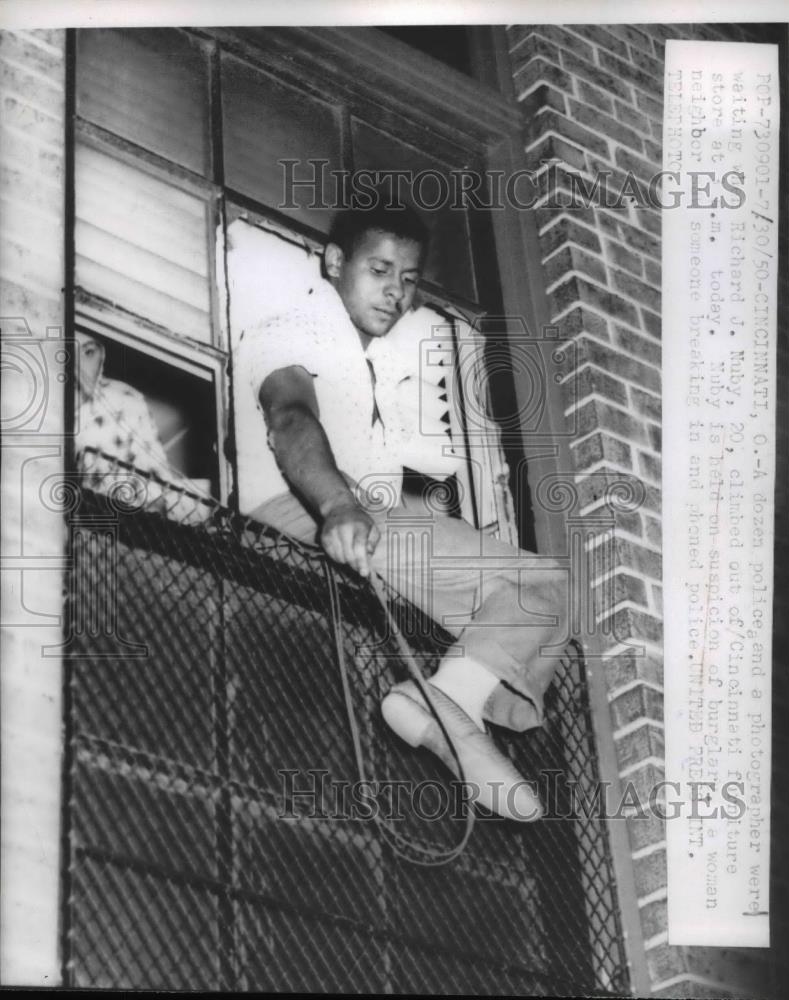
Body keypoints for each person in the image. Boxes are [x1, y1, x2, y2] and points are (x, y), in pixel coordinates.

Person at [234, 204, 568, 822]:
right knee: (537, 579)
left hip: (359, 520)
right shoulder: (297, 325)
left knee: (539, 599)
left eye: (409, 278)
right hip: (301, 508)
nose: (396, 291)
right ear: (335, 262)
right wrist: (336, 506)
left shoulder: (374, 362)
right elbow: (289, 418)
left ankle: (448, 711)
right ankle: (451, 700)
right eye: (380, 269)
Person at [74, 330, 174, 509]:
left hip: (123, 525)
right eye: (67, 352)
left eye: (88, 352)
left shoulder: (125, 400)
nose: (79, 367)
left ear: (102, 357)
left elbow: (157, 497)